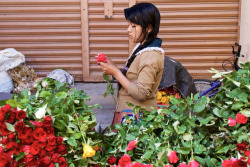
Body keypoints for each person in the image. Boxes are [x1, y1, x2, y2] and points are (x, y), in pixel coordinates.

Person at [96, 2, 164, 125]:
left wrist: (116, 73)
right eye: (129, 25)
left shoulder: (150, 56)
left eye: (133, 26)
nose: (128, 30)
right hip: (129, 116)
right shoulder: (142, 48)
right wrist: (112, 66)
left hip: (138, 122)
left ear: (148, 28)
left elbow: (141, 94)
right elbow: (131, 78)